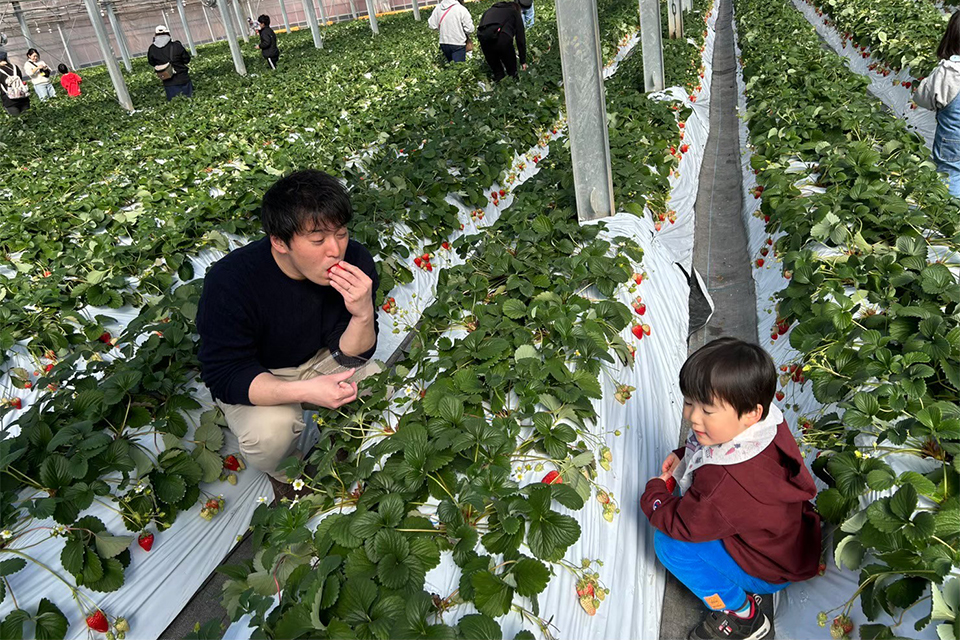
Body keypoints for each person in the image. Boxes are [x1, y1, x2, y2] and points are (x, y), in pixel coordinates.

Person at [196, 169, 381, 500]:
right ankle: (288, 473)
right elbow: (225, 374)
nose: (335, 250)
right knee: (270, 434)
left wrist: (363, 312)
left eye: (340, 233)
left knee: (375, 381)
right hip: (259, 372)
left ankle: (341, 439)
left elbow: (352, 355)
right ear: (279, 242)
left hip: (319, 357)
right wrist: (303, 390)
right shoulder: (231, 282)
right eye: (317, 240)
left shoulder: (355, 259)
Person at [640, 338, 821, 640]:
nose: (692, 417)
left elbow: (683, 525)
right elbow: (709, 450)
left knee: (670, 546)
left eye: (707, 411)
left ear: (751, 411)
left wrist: (655, 494)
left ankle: (742, 614)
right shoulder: (764, 425)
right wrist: (686, 455)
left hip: (767, 569)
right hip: (788, 540)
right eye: (688, 402)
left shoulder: (725, 481)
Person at [916, 11, 960, 197]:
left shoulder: (949, 71)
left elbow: (923, 98)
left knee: (950, 174)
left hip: (953, 140)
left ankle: (951, 216)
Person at [476, 1, 529, 82]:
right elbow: (520, 38)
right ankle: (513, 89)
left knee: (498, 73)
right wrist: (523, 61)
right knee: (512, 72)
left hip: (484, 38)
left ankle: (499, 90)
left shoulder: (489, 11)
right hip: (502, 38)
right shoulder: (513, 12)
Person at [147, 25, 193, 101]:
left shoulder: (152, 49)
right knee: (189, 100)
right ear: (168, 34)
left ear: (155, 35)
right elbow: (186, 59)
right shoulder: (176, 46)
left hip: (167, 80)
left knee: (174, 103)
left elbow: (152, 62)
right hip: (183, 78)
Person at [0, 51, 31, 116]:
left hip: (9, 100)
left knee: (17, 121)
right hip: (23, 97)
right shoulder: (15, 67)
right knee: (29, 119)